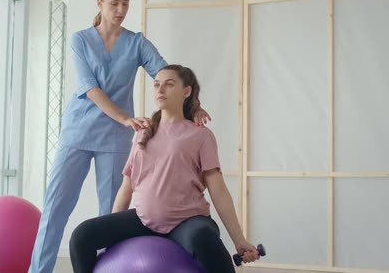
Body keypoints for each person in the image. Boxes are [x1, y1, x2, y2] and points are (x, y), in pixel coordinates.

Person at [28, 0, 211, 273]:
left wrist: (194, 103)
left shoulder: (137, 42)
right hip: (78, 133)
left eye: (126, 3)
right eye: (114, 3)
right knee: (55, 210)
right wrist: (125, 118)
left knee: (109, 216)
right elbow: (90, 88)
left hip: (113, 139)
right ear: (99, 3)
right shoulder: (80, 40)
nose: (121, 9)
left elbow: (167, 74)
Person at [69, 64, 259, 273]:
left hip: (187, 222)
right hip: (143, 219)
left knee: (202, 237)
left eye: (169, 85)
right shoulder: (142, 133)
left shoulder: (201, 135)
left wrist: (239, 241)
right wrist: (112, 229)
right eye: (157, 85)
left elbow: (218, 191)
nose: (160, 90)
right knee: (81, 236)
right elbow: (127, 185)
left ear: (187, 91)